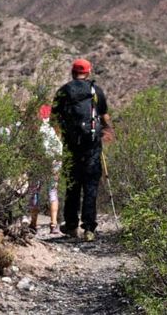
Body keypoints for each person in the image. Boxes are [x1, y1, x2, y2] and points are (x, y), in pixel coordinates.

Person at [51, 58, 114, 242]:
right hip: (92, 146)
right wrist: (106, 132)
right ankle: (89, 229)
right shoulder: (96, 91)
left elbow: (54, 119)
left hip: (71, 147)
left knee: (73, 186)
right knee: (91, 186)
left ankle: (71, 226)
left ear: (72, 72)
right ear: (88, 72)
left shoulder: (63, 91)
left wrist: (61, 136)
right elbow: (104, 117)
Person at [27, 104, 63, 237]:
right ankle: (53, 224)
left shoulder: (35, 127)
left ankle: (33, 224)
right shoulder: (54, 127)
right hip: (55, 160)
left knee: (35, 191)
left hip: (38, 160)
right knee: (53, 191)